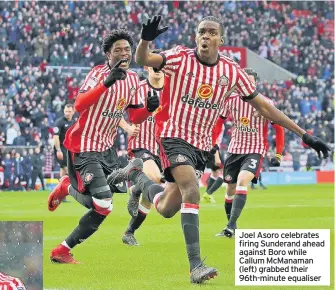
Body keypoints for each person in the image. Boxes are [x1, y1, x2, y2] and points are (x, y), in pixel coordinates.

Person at [109, 15, 330, 284]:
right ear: (195, 37)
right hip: (172, 137)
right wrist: (145, 40)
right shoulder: (180, 58)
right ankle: (196, 267)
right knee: (192, 189)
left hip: (202, 146)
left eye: (211, 32)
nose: (205, 36)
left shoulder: (232, 71)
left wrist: (304, 134)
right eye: (201, 31)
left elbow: (265, 107)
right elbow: (144, 60)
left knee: (167, 208)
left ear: (220, 40)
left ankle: (139, 182)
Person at [47, 29, 159, 264]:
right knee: (104, 203)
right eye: (117, 50)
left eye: (127, 49)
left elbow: (135, 117)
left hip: (107, 149)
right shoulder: (98, 73)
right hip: (83, 145)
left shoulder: (132, 80)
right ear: (108, 54)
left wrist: (148, 108)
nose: (124, 53)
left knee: (102, 204)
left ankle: (68, 190)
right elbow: (79, 104)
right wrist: (106, 83)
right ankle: (61, 249)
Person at [214, 68, 285, 237]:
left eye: (251, 83)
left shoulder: (265, 103)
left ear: (255, 84)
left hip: (255, 149)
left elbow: (279, 128)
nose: (247, 86)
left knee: (241, 181)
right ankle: (231, 225)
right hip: (234, 150)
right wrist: (212, 144)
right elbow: (218, 122)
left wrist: (278, 154)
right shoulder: (231, 101)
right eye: (245, 82)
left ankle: (230, 226)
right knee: (230, 189)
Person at [120, 49, 165, 246]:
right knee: (155, 179)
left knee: (149, 199)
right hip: (141, 144)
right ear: (146, 67)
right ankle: (137, 188)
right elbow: (113, 109)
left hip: (163, 148)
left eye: (160, 64)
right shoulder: (137, 88)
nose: (157, 68)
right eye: (152, 64)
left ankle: (129, 232)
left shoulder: (173, 90)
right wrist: (127, 127)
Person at [53, 103, 75, 177]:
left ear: (73, 112)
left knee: (63, 168)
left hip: (70, 148)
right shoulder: (59, 122)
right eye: (66, 111)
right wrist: (58, 150)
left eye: (69, 111)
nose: (67, 113)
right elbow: (55, 137)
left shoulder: (74, 122)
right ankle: (72, 185)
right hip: (61, 147)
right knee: (67, 167)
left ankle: (61, 184)